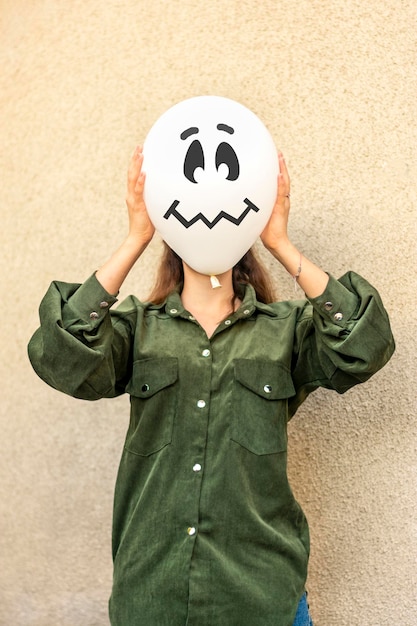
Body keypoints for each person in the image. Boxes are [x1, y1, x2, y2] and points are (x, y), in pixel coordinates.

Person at [28, 148, 395, 626]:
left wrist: (279, 241)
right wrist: (138, 234)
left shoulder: (288, 331)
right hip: (152, 598)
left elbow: (366, 345)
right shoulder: (137, 329)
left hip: (263, 600)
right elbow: (59, 353)